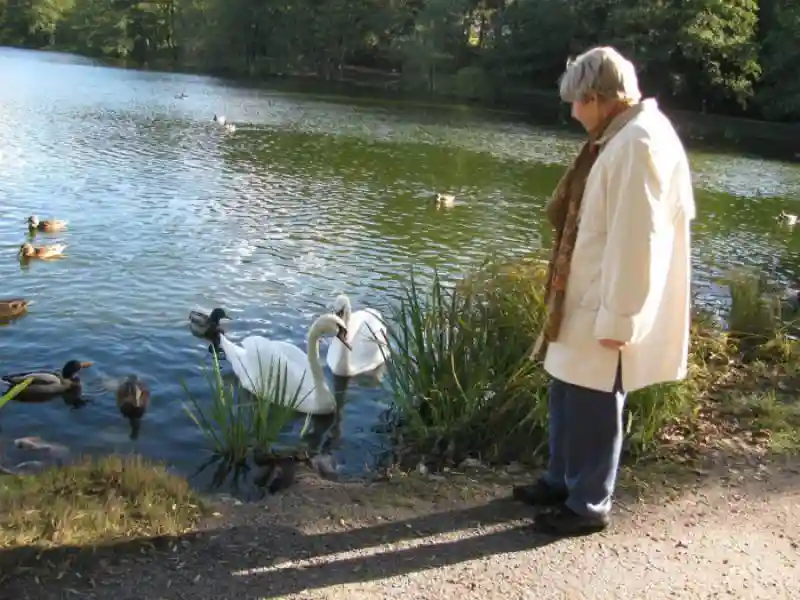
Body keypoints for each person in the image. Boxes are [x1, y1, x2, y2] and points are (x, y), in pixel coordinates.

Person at [513, 46, 696, 536]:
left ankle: (588, 504)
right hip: (584, 289)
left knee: (595, 400)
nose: (572, 112)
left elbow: (641, 240)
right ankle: (562, 479)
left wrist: (621, 318)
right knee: (567, 387)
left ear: (599, 98)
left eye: (577, 101)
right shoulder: (620, 135)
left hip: (607, 299)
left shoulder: (638, 143)